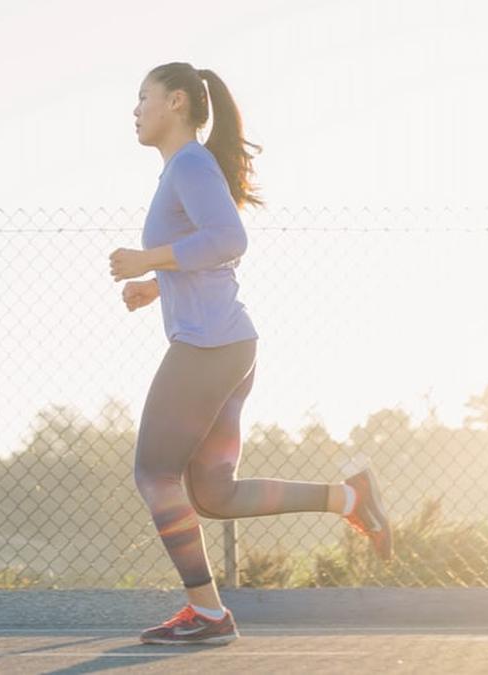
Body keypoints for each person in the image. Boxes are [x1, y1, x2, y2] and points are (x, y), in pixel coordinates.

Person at [109, 62, 393, 646]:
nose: (135, 110)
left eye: (143, 97)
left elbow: (229, 240)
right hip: (228, 345)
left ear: (177, 102)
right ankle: (350, 497)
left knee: (155, 474)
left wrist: (148, 259)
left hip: (210, 346)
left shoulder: (189, 164)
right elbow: (211, 253)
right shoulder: (183, 169)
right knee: (214, 493)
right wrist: (157, 285)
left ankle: (209, 614)